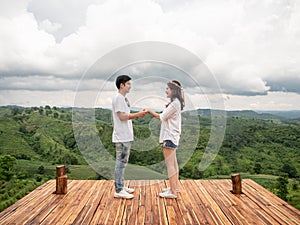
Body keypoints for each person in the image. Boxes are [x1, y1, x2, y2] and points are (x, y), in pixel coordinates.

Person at [147, 80, 185, 198]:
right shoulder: (176, 103)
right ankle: (174, 187)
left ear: (173, 90)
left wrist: (149, 111)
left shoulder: (174, 104)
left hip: (169, 136)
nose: (166, 91)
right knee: (174, 163)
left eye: (167, 89)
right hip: (173, 136)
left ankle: (172, 192)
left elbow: (161, 117)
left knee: (170, 165)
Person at [112, 75, 147, 199]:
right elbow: (122, 116)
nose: (130, 86)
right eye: (128, 84)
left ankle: (121, 185)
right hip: (121, 136)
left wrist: (138, 114)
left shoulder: (123, 99)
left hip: (125, 135)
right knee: (120, 162)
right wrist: (138, 114)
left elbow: (125, 115)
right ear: (122, 85)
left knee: (123, 162)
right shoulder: (118, 98)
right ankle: (119, 189)